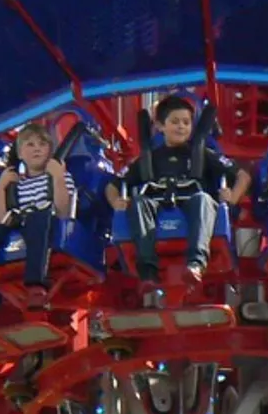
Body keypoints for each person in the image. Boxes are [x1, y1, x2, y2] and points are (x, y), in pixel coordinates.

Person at [105, 95, 245, 284]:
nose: (181, 127)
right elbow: (113, 186)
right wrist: (116, 201)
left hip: (192, 203)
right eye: (175, 122)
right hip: (157, 204)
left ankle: (196, 263)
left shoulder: (202, 153)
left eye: (186, 123)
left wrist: (233, 196)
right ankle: (147, 271)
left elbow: (243, 176)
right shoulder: (149, 157)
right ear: (160, 126)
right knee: (139, 202)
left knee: (203, 199)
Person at [0, 122, 76, 321]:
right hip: (17, 223)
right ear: (20, 153)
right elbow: (1, 220)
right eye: (30, 144)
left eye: (42, 144)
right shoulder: (16, 185)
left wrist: (58, 177)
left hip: (44, 222)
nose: (37, 148)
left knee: (38, 217)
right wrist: (1, 189)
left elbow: (63, 211)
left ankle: (36, 285)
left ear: (50, 151)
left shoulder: (59, 177)